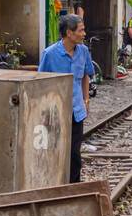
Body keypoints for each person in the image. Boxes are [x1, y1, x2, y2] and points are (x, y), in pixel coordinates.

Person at [38, 13, 95, 182]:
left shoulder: (83, 51)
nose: (84, 34)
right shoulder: (49, 54)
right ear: (69, 33)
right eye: (81, 30)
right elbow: (41, 81)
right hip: (55, 111)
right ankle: (53, 183)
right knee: (53, 149)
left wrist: (86, 99)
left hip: (76, 110)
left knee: (74, 153)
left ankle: (73, 187)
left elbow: (86, 75)